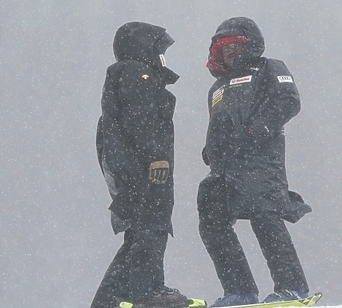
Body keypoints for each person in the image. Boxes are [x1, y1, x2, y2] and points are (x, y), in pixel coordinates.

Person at [198, 17, 313, 307]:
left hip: (260, 161)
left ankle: (292, 287)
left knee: (266, 219)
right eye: (226, 50)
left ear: (251, 45)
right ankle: (239, 290)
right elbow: (220, 122)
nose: (232, 54)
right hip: (224, 167)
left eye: (237, 46)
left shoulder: (269, 68)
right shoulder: (217, 89)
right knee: (211, 219)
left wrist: (260, 128)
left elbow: (289, 101)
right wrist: (210, 148)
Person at [92, 22, 195, 308]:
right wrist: (156, 156)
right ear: (142, 47)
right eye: (158, 50)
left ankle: (110, 299)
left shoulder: (124, 74)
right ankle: (149, 291)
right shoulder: (138, 72)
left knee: (138, 234)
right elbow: (142, 119)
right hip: (144, 169)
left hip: (129, 167)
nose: (162, 57)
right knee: (151, 227)